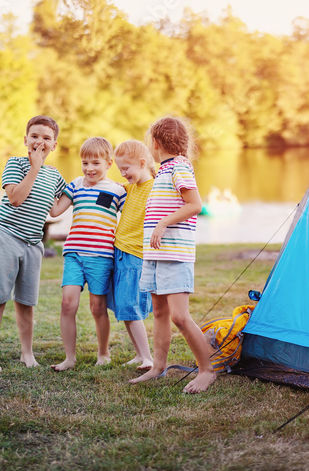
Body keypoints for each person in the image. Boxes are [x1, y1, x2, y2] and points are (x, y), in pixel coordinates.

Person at [129, 117, 216, 394]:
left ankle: (206, 370)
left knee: (179, 316)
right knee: (159, 312)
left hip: (175, 253)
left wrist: (163, 223)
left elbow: (195, 204)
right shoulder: (165, 170)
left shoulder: (179, 167)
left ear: (155, 143)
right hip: (155, 254)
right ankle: (158, 366)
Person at [0, 115, 67, 373]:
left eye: (46, 138)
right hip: (6, 235)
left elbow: (55, 209)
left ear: (54, 144)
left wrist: (87, 190)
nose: (40, 142)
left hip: (33, 243)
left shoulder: (55, 176)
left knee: (26, 302)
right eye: (35, 136)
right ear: (26, 140)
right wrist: (35, 167)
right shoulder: (16, 164)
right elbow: (16, 198)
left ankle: (27, 353)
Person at [48, 137, 127, 371]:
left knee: (97, 308)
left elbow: (134, 217)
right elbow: (55, 211)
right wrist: (51, 180)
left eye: (95, 163)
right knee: (67, 304)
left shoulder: (118, 191)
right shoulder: (75, 185)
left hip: (101, 257)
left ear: (108, 163)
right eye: (85, 163)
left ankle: (103, 352)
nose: (89, 168)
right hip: (74, 253)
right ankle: (69, 358)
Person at [110, 140, 157, 370]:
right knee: (123, 307)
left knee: (131, 305)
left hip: (135, 255)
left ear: (142, 163)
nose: (123, 173)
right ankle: (139, 354)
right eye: (120, 169)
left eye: (126, 168)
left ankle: (148, 357)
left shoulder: (155, 189)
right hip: (120, 252)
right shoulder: (131, 188)